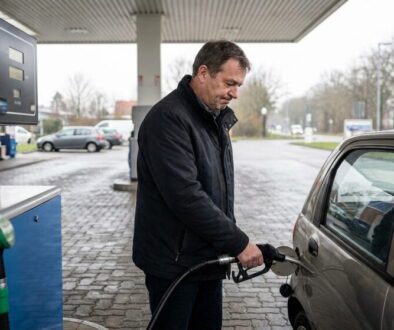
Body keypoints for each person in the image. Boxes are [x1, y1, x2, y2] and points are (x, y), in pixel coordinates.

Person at [132, 40, 264, 329]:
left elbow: (217, 190)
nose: (235, 93)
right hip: (174, 264)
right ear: (203, 73)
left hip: (206, 259)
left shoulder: (214, 120)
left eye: (239, 85)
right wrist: (239, 242)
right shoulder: (168, 119)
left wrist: (228, 242)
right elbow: (186, 196)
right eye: (230, 83)